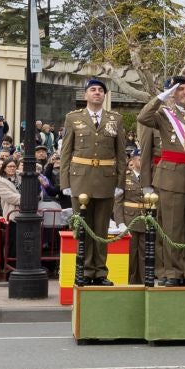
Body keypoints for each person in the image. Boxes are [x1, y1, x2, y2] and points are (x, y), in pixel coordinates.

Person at [136, 77, 185, 287]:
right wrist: (161, 97)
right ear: (173, 93)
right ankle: (171, 272)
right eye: (180, 89)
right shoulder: (164, 115)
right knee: (171, 227)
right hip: (170, 178)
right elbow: (143, 117)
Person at [58, 78, 129, 286]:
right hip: (80, 180)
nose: (97, 93)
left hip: (106, 180)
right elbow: (66, 152)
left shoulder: (115, 119)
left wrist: (120, 183)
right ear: (86, 95)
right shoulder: (73, 118)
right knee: (83, 228)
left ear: (104, 95)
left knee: (100, 229)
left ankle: (99, 272)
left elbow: (121, 154)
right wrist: (65, 183)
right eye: (93, 90)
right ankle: (84, 270)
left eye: (100, 90)